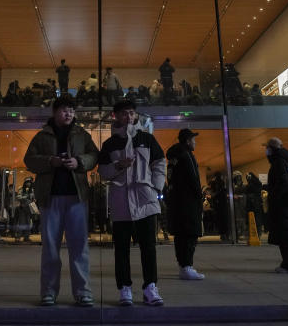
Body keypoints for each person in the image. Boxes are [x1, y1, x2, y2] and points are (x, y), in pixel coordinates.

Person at [23, 95, 99, 307]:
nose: (69, 114)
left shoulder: (81, 135)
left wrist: (80, 161)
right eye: (65, 110)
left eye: (72, 111)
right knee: (50, 247)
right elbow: (29, 160)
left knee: (79, 247)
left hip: (77, 198)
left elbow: (94, 155)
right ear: (55, 112)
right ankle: (48, 292)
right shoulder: (42, 136)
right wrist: (51, 161)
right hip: (50, 198)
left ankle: (83, 292)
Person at [97, 99, 166, 306]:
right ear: (115, 116)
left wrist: (155, 188)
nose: (129, 116)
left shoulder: (147, 139)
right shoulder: (109, 144)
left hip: (145, 200)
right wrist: (118, 165)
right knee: (121, 248)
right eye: (124, 113)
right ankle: (124, 288)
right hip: (121, 201)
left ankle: (150, 287)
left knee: (149, 247)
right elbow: (103, 172)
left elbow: (159, 163)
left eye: (131, 113)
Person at [166, 128, 205, 280]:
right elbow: (193, 178)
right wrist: (199, 196)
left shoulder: (174, 156)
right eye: (193, 139)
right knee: (189, 234)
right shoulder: (186, 155)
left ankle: (183, 266)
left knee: (181, 235)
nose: (195, 142)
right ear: (188, 141)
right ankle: (187, 266)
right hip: (188, 202)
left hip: (178, 201)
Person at [265, 137, 288, 273]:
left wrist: (274, 196)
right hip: (287, 204)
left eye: (267, 147)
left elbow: (283, 183)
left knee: (285, 235)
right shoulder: (284, 161)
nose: (266, 150)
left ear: (272, 149)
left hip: (282, 205)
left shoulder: (278, 163)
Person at [245, 172, 264, 238]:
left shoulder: (252, 185)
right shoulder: (258, 184)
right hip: (256, 204)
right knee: (257, 219)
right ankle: (258, 233)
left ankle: (256, 233)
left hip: (253, 204)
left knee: (254, 219)